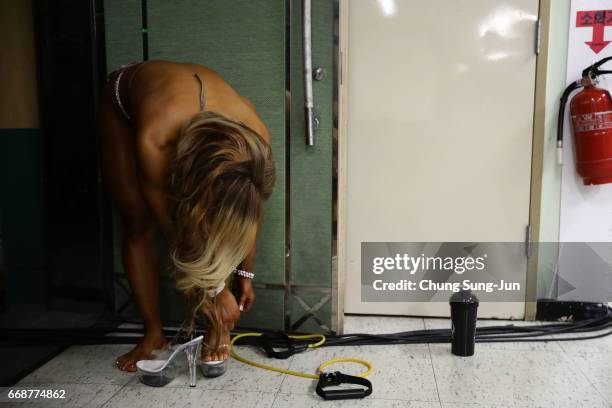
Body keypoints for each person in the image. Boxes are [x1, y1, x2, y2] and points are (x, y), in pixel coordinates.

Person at [98, 60, 276, 372]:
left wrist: (245, 275)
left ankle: (214, 319)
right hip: (124, 102)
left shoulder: (257, 137)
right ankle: (153, 334)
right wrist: (217, 292)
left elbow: (246, 216)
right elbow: (175, 232)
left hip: (181, 102)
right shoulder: (156, 139)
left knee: (222, 216)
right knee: (138, 221)